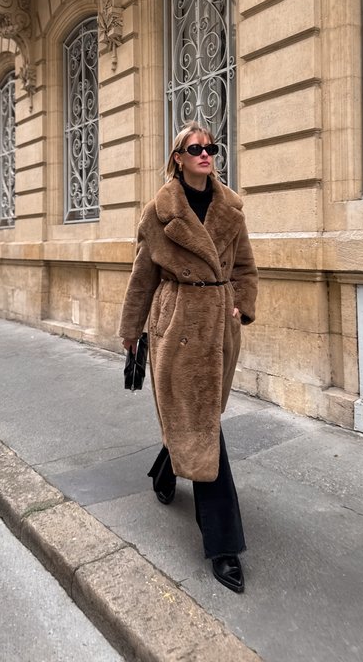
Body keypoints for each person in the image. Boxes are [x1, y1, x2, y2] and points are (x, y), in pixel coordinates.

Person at [119, 121, 258, 593]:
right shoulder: (160, 213)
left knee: (200, 417)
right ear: (177, 157)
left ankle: (165, 468)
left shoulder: (230, 209)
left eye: (210, 147)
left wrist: (242, 303)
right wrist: (130, 331)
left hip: (219, 328)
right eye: (195, 148)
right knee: (203, 426)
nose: (205, 154)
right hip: (176, 328)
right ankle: (224, 545)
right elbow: (142, 279)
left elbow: (244, 265)